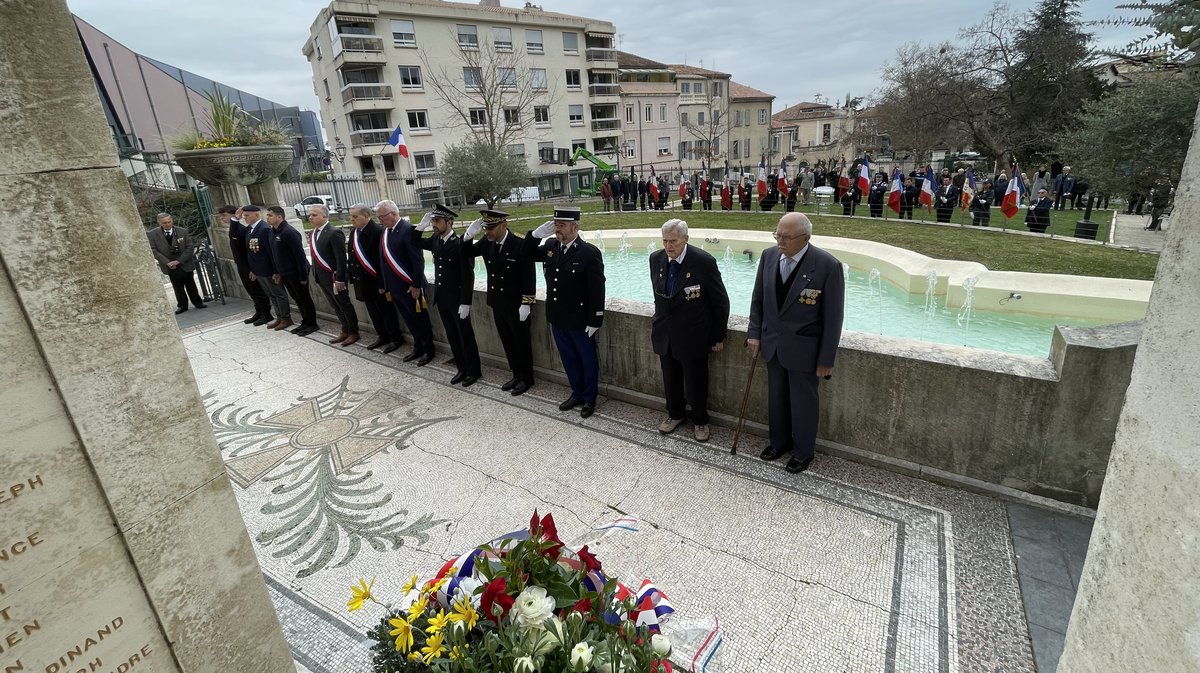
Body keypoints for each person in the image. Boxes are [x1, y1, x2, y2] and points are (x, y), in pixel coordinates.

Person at [747, 212, 845, 474]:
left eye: (787, 237)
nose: (780, 241)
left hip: (805, 351)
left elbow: (833, 318)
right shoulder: (768, 257)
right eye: (777, 234)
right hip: (772, 344)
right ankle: (779, 442)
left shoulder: (826, 266)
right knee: (776, 399)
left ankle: (803, 452)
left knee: (803, 404)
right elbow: (758, 300)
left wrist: (826, 360)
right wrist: (754, 333)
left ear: (806, 238)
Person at [649, 219, 729, 442]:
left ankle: (700, 420)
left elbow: (720, 302)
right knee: (670, 379)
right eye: (665, 241)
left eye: (673, 241)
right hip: (665, 334)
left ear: (685, 238)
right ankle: (674, 414)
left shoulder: (703, 262)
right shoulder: (655, 258)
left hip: (694, 335)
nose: (668, 246)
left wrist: (718, 335)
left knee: (696, 382)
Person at [524, 207, 605, 417]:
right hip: (558, 317)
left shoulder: (589, 253)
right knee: (568, 359)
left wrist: (595, 319)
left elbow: (597, 288)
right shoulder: (551, 246)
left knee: (587, 361)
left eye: (562, 225)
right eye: (556, 224)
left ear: (575, 226)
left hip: (580, 320)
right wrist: (535, 236)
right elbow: (526, 254)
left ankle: (589, 398)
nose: (557, 229)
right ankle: (576, 392)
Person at [462, 209, 536, 395]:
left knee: (522, 342)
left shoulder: (519, 244)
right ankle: (516, 374)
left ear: (504, 225)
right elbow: (465, 253)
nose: (488, 231)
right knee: (508, 340)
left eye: (492, 228)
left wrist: (527, 303)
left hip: (517, 304)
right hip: (497, 302)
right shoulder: (487, 241)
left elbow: (529, 275)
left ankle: (527, 378)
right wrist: (468, 235)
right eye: (486, 227)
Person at [414, 203, 482, 386]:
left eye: (437, 221)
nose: (433, 224)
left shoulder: (460, 244)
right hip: (442, 298)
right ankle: (461, 368)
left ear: (449, 222)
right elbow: (414, 241)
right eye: (432, 221)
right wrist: (420, 227)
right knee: (452, 336)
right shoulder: (435, 240)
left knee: (465, 337)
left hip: (458, 300)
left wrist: (465, 302)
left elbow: (468, 275)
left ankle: (473, 371)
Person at [376, 199, 434, 365]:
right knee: (408, 319)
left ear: (394, 214)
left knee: (420, 319)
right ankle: (418, 347)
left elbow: (417, 261)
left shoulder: (408, 230)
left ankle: (428, 350)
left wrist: (416, 284)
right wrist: (385, 284)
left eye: (382, 217)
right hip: (394, 287)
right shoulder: (386, 231)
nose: (380, 220)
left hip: (410, 286)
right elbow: (383, 260)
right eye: (378, 217)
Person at [346, 204, 405, 352]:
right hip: (363, 281)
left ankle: (394, 338)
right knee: (373, 312)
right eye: (351, 217)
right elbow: (352, 257)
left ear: (366, 216)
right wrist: (352, 277)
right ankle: (382, 335)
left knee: (386, 311)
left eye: (355, 217)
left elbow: (383, 260)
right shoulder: (354, 232)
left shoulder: (378, 232)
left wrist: (382, 282)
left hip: (376, 281)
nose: (352, 220)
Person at [307, 204, 359, 346]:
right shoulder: (313, 233)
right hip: (322, 277)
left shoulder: (334, 232)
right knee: (335, 305)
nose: (310, 217)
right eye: (310, 214)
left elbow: (341, 259)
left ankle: (354, 332)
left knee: (344, 305)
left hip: (334, 278)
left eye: (314, 215)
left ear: (324, 216)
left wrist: (340, 279)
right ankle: (345, 329)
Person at [265, 205, 318, 335]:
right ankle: (305, 322)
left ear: (279, 217)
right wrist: (277, 272)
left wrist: (303, 277)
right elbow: (274, 254)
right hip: (285, 273)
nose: (267, 218)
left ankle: (312, 324)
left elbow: (299, 256)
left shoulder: (289, 232)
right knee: (297, 299)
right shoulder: (272, 231)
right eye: (267, 216)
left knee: (304, 298)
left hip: (296, 273)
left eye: (270, 215)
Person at [218, 205, 270, 324]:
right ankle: (259, 311)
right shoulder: (235, 229)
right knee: (250, 289)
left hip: (248, 264)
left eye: (225, 215)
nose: (222, 218)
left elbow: (248, 249)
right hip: (242, 264)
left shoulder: (240, 229)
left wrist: (235, 219)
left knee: (257, 289)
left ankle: (266, 313)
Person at [242, 205, 291, 330]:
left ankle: (286, 318)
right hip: (259, 270)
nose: (244, 217)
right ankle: (279, 317)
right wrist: (253, 269)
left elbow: (271, 252)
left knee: (278, 293)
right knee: (271, 294)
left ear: (257, 215)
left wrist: (276, 271)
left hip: (269, 269)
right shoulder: (250, 229)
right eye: (244, 215)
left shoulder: (264, 229)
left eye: (247, 215)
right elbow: (251, 252)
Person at [148, 212, 206, 315]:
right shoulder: (153, 234)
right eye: (164, 223)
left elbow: (189, 247)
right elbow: (153, 250)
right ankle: (182, 306)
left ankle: (198, 302)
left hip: (184, 263)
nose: (167, 224)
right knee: (177, 287)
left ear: (172, 220)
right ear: (159, 223)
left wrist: (179, 261)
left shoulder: (182, 231)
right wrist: (167, 262)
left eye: (169, 222)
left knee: (191, 284)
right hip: (169, 265)